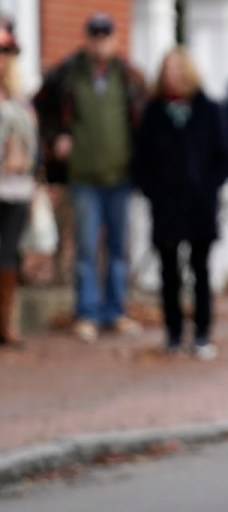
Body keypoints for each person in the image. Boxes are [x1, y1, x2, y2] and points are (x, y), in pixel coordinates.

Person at [33, 12, 146, 343]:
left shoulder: (128, 77)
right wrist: (56, 139)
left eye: (106, 35)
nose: (100, 42)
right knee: (84, 246)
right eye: (94, 35)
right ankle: (87, 312)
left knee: (117, 246)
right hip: (82, 175)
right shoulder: (67, 74)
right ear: (86, 38)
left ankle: (116, 310)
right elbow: (40, 109)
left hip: (120, 175)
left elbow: (142, 120)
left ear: (114, 39)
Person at [131, 47, 228, 361]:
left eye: (178, 70)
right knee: (169, 272)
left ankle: (202, 333)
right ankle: (173, 334)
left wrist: (209, 185)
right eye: (167, 70)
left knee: (200, 270)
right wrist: (152, 190)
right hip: (166, 204)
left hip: (200, 203)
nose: (173, 76)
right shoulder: (154, 112)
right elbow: (141, 159)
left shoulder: (208, 108)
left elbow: (225, 154)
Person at [0, 17, 37, 348]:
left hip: (16, 189)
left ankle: (5, 324)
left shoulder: (20, 100)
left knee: (8, 256)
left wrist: (26, 161)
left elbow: (32, 144)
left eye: (6, 51)